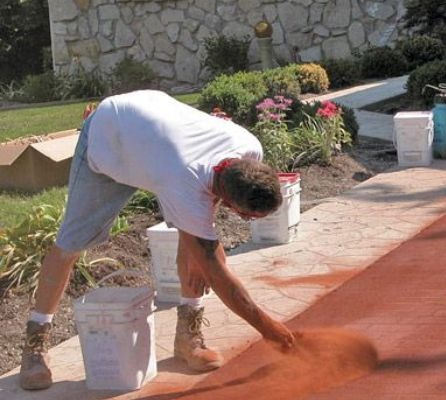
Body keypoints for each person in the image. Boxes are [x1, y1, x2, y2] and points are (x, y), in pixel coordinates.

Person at [19, 90, 296, 390]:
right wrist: (270, 329)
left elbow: (204, 218)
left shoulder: (249, 149)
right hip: (110, 138)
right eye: (246, 216)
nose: (245, 221)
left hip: (153, 137)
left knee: (197, 248)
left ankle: (188, 340)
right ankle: (35, 345)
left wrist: (200, 250)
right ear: (231, 202)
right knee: (69, 245)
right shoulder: (184, 179)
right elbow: (219, 275)